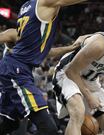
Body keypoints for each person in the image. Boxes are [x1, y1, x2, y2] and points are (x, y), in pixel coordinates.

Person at [0, 0, 87, 134]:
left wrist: (71, 48)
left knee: (9, 124)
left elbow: (46, 52)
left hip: (16, 70)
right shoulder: (44, 3)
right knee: (48, 129)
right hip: (16, 71)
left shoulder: (25, 7)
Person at [52, 14, 104, 135]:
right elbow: (71, 71)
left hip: (90, 81)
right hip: (66, 75)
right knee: (78, 112)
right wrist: (89, 96)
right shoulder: (99, 45)